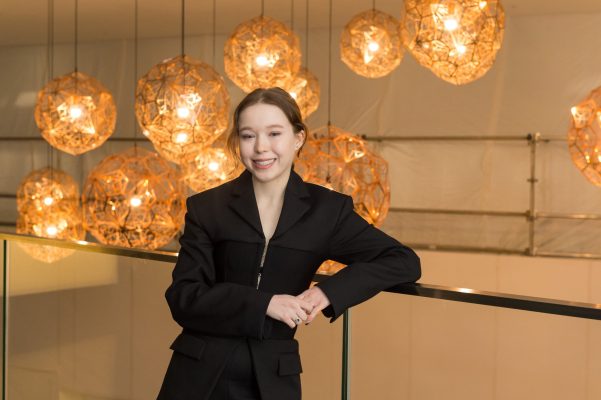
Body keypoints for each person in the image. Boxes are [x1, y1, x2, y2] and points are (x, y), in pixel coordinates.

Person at [157, 87, 421, 400]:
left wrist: (327, 292)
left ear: (298, 138)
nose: (260, 148)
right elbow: (184, 297)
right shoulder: (206, 207)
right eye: (247, 135)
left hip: (273, 379)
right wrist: (265, 304)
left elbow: (403, 261)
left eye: (274, 133)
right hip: (197, 375)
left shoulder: (327, 211)